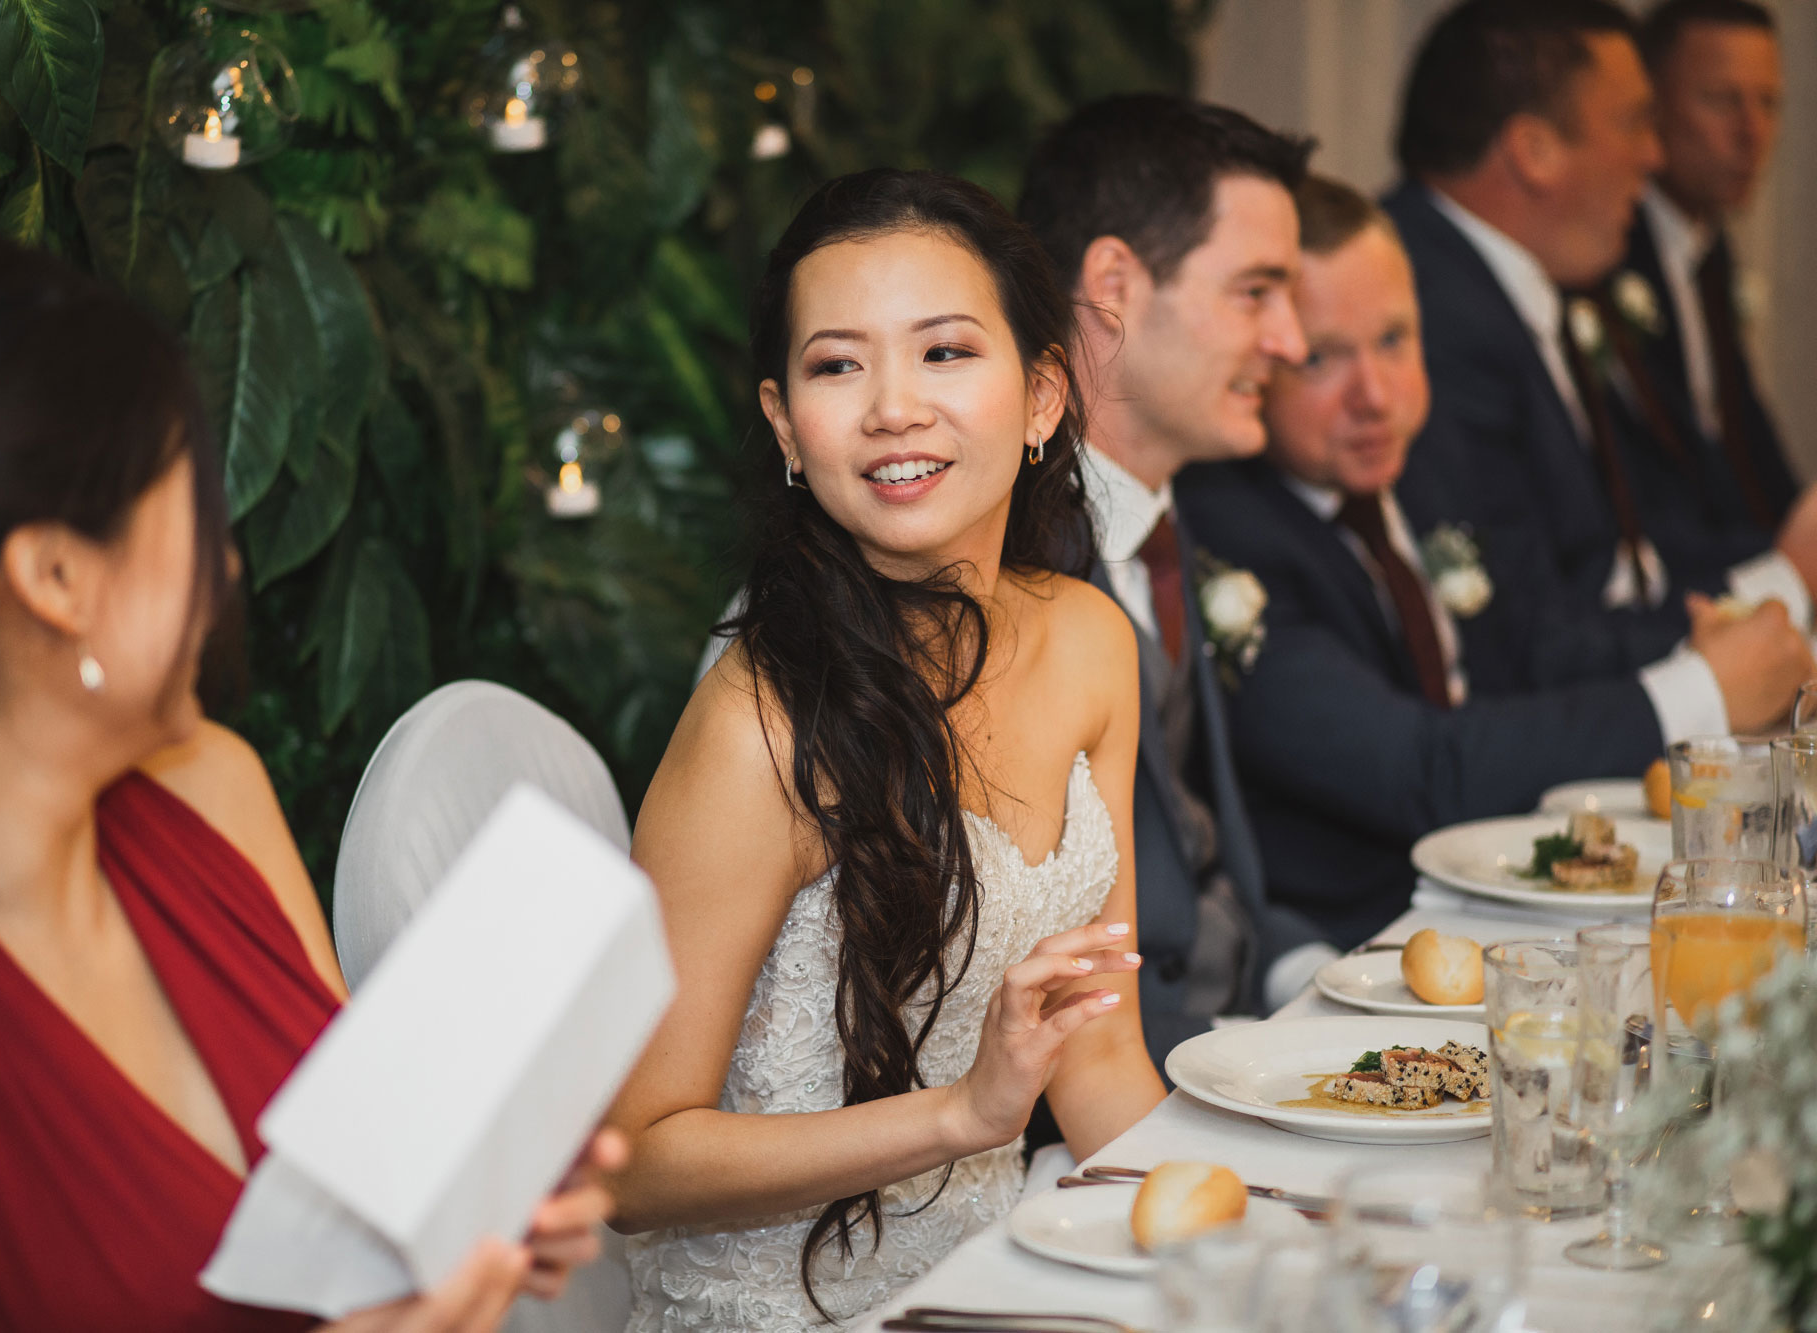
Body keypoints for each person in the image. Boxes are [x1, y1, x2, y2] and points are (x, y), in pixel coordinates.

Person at [0, 227, 616, 1333]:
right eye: (192, 513)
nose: (228, 566)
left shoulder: (213, 790)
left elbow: (366, 1205)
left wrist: (471, 1224)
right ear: (55, 575)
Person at [610, 170, 1163, 1331]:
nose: (892, 408)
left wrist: (1224, 1248)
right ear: (783, 427)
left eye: (945, 352)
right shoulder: (760, 725)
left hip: (991, 1286)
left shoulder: (1087, 642)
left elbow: (1099, 1048)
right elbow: (631, 1162)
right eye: (836, 365)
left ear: (1042, 397)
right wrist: (959, 1114)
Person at [1179, 175, 1813, 947]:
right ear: (1263, 357)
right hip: (1352, 939)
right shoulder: (1225, 540)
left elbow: (1538, 650)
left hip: (1501, 897)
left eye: (1393, 339)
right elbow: (1424, 770)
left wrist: (1712, 644)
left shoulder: (1415, 467)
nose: (1374, 395)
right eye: (1322, 360)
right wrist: (1703, 691)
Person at [1014, 94, 1333, 1059]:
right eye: (1255, 291)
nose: (1289, 341)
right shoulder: (1005, 564)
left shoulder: (1160, 520)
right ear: (1114, 282)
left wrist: (1317, 982)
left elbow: (1206, 868)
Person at [1384, 0, 1817, 701]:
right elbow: (1525, 641)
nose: (1654, 154)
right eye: (1635, 121)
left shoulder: (1519, 283)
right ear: (1535, 151)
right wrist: (1781, 585)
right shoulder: (1427, 310)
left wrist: (1772, 572)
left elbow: (1622, 553)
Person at [1603, 0, 1796, 548]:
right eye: (1721, 100)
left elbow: (1748, 448)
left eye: (1769, 103)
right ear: (1652, 107)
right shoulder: (1605, 252)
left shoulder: (1710, 253)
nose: (1752, 132)